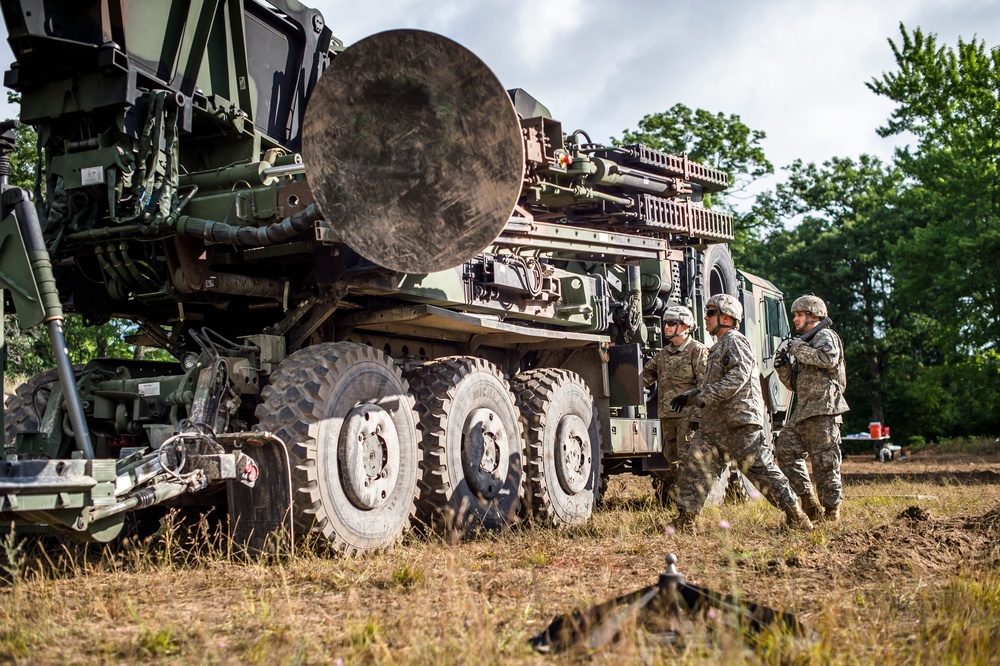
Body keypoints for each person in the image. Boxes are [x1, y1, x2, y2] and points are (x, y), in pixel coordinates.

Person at [670, 294, 813, 532]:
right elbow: (715, 383)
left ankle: (797, 517)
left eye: (710, 312)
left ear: (726, 317)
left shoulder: (735, 341)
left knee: (761, 471)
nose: (705, 317)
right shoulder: (718, 347)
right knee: (695, 470)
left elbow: (738, 376)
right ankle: (686, 522)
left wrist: (705, 395)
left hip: (739, 424)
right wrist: (692, 395)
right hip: (714, 426)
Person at [773, 294, 849, 522]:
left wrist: (797, 349)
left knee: (825, 463)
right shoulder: (805, 342)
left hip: (824, 408)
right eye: (794, 315)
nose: (795, 319)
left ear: (813, 315)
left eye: (798, 315)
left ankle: (832, 512)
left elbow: (828, 359)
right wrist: (784, 368)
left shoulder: (825, 335)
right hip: (804, 410)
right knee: (785, 450)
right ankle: (808, 501)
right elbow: (796, 384)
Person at [641, 305, 709, 504]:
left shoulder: (697, 351)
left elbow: (705, 385)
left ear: (686, 326)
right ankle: (680, 504)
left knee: (687, 462)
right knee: (672, 462)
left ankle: (689, 507)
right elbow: (644, 377)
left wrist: (698, 416)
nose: (667, 327)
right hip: (668, 417)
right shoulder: (663, 354)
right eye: (666, 323)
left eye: (672, 323)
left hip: (688, 417)